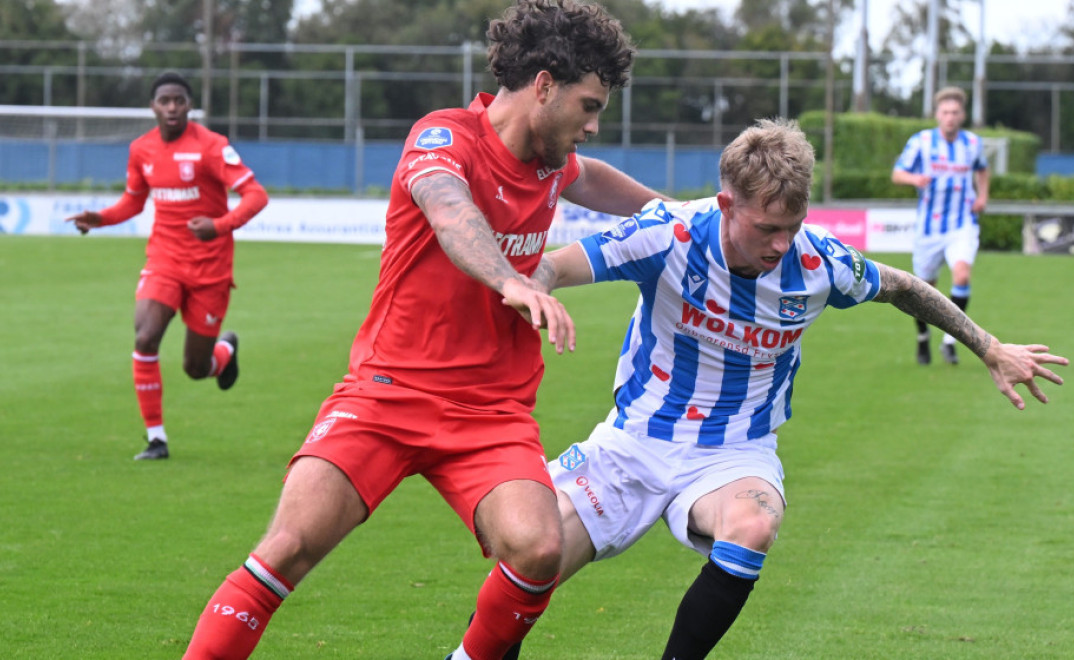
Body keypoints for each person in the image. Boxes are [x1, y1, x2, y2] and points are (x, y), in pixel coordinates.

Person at [179, 1, 662, 659]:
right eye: (588, 104)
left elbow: (596, 181)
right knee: (285, 549)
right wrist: (511, 279)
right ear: (544, 85)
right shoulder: (444, 138)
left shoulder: (553, 160)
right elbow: (447, 208)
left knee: (539, 548)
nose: (594, 124)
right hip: (385, 392)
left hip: (490, 411)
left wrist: (685, 218)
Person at [507, 118, 1066, 659]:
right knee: (532, 560)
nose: (781, 244)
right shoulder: (669, 233)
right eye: (767, 228)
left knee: (752, 524)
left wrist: (988, 347)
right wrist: (539, 289)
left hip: (734, 452)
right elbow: (559, 264)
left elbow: (900, 286)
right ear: (727, 206)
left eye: (792, 226)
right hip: (633, 443)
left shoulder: (818, 260)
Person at [66, 71, 269, 460]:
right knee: (145, 337)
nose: (172, 107)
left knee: (196, 367)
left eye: (179, 100)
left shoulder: (212, 147)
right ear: (153, 106)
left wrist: (218, 226)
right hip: (165, 260)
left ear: (189, 106)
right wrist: (101, 218)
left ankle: (225, 352)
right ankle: (156, 439)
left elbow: (256, 195)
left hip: (211, 268)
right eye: (165, 100)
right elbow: (133, 201)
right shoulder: (141, 149)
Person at [891, 86, 990, 366]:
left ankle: (950, 339)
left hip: (962, 224)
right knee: (924, 292)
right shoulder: (921, 142)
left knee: (961, 274)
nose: (950, 117)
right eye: (945, 112)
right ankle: (923, 337)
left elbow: (982, 169)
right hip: (929, 229)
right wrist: (914, 180)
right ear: (937, 114)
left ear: (962, 115)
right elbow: (898, 173)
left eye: (955, 112)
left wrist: (982, 195)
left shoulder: (972, 143)